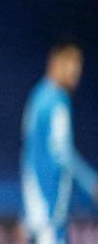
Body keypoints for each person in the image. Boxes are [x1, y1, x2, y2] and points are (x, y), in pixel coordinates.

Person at [21, 42, 98, 243]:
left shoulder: (38, 96)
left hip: (38, 207)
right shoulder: (56, 102)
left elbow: (29, 155)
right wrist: (91, 183)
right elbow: (62, 153)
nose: (75, 74)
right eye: (71, 66)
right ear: (55, 63)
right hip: (49, 208)